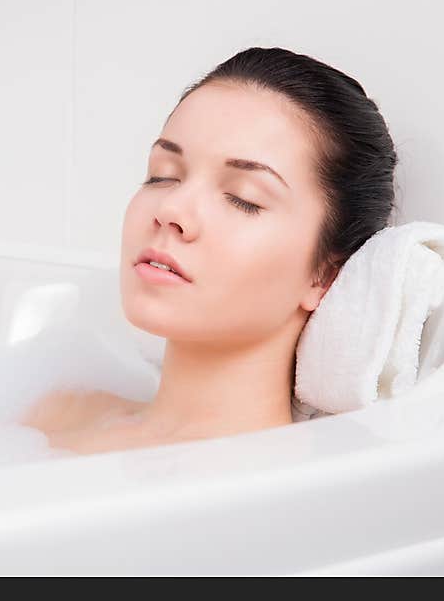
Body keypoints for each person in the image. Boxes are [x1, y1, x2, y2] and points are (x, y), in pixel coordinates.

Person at [20, 46, 399, 455]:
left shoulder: (265, 497)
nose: (171, 210)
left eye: (242, 198)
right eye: (162, 176)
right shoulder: (56, 413)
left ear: (326, 276)